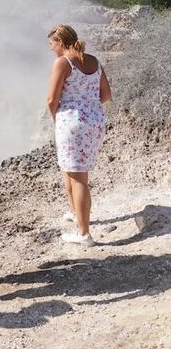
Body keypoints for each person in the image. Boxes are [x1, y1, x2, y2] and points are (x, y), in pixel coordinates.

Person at [46, 24, 111, 246]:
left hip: (72, 122)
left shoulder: (63, 62)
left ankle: (84, 234)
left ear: (61, 43)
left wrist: (61, 117)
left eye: (52, 44)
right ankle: (75, 212)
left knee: (79, 176)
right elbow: (106, 94)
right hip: (95, 120)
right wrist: (88, 107)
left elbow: (51, 99)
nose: (51, 48)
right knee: (70, 169)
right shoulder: (93, 60)